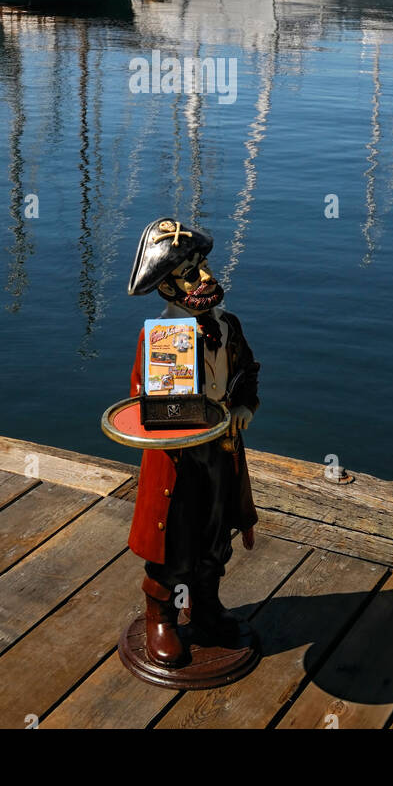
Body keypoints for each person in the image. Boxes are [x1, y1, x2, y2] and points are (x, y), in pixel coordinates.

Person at [127, 217, 260, 667]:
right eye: (189, 273)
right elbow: (146, 402)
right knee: (174, 538)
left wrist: (243, 405)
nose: (205, 278)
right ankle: (160, 615)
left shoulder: (229, 326)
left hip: (222, 449)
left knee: (215, 532)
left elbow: (248, 372)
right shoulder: (160, 338)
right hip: (178, 460)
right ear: (167, 289)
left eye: (203, 266)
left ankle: (205, 605)